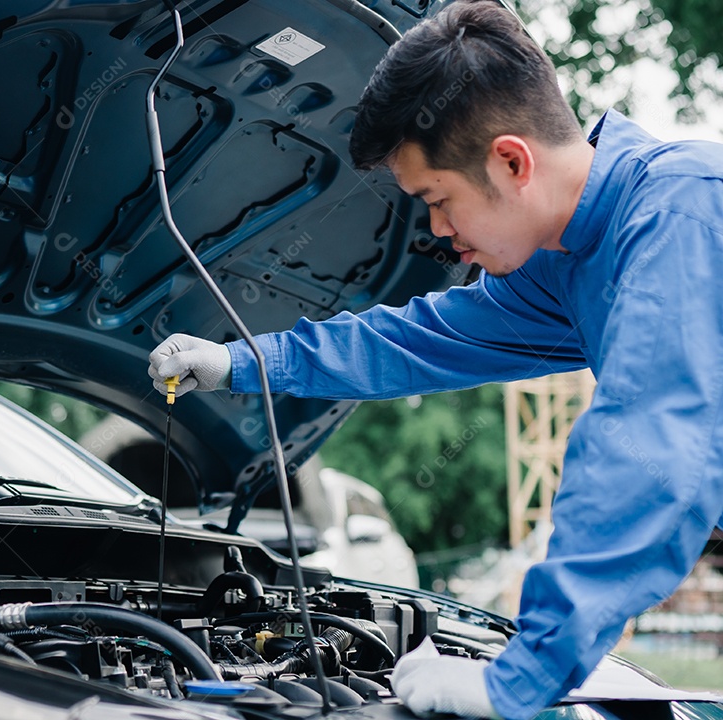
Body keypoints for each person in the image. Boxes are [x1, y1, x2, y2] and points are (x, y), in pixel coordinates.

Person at [146, 1, 723, 718]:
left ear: (512, 160)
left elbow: (643, 455)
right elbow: (416, 339)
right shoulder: (565, 261)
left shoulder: (682, 212)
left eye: (437, 198)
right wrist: (243, 360)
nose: (439, 231)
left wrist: (515, 681)